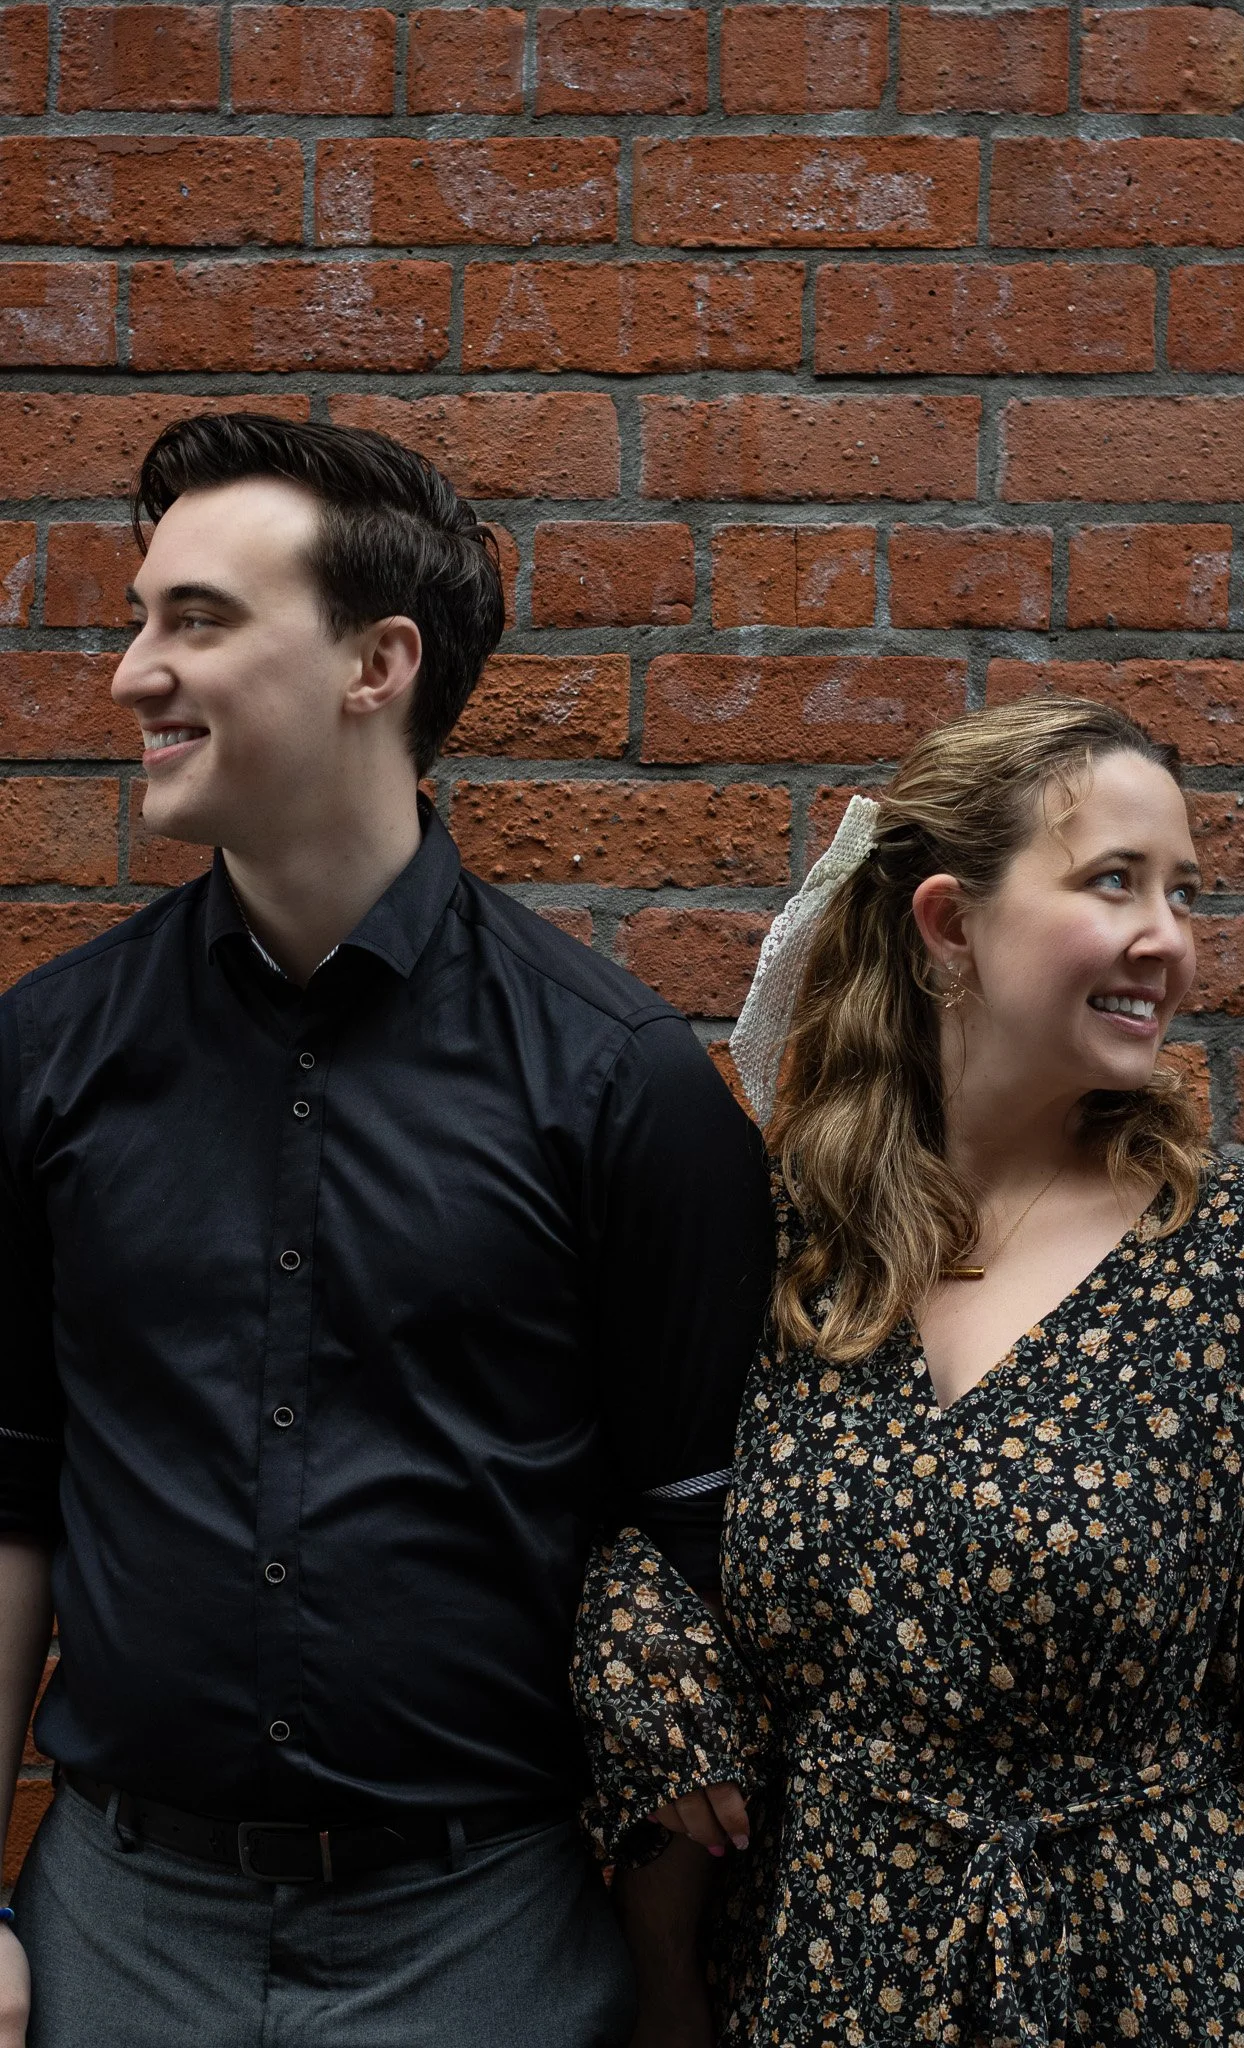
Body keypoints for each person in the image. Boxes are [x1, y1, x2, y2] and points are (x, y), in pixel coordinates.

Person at [0, 412, 774, 2048]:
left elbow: (700, 1562)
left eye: (198, 620)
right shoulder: (47, 1056)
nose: (132, 674)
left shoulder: (620, 1086)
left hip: (484, 1944)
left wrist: (671, 1974)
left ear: (378, 663)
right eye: (139, 619)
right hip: (116, 1937)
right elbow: (4, 1496)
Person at [574, 696, 1244, 2046]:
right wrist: (633, 1641)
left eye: (1183, 892)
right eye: (1115, 881)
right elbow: (631, 1513)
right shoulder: (780, 1245)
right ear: (949, 924)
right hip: (827, 1974)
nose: (1169, 939)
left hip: (1151, 1978)